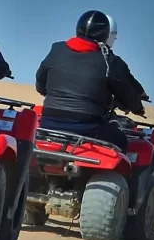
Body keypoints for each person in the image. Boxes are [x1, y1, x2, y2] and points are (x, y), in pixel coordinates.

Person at [35, 10, 148, 153]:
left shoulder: (56, 49)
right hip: (86, 128)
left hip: (49, 122)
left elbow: (40, 84)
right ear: (106, 35)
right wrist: (138, 108)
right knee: (121, 140)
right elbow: (126, 93)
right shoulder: (108, 60)